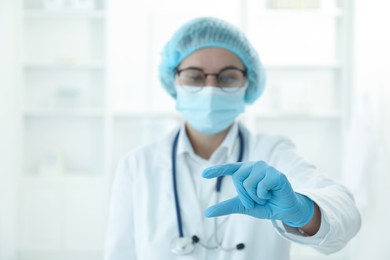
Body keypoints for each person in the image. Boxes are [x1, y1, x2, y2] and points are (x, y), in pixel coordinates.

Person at [104, 17, 361, 260]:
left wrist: (303, 211)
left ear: (248, 83)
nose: (211, 88)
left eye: (227, 77)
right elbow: (120, 252)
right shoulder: (136, 165)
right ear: (174, 81)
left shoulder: (272, 152)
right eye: (194, 76)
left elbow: (345, 213)